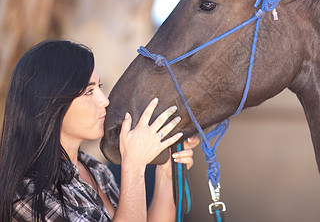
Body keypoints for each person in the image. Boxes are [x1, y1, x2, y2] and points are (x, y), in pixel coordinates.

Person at [0, 39, 199, 221]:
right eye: (89, 91)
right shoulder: (28, 194)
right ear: (50, 104)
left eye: (99, 87)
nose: (105, 101)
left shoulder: (95, 169)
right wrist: (134, 165)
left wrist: (166, 172)